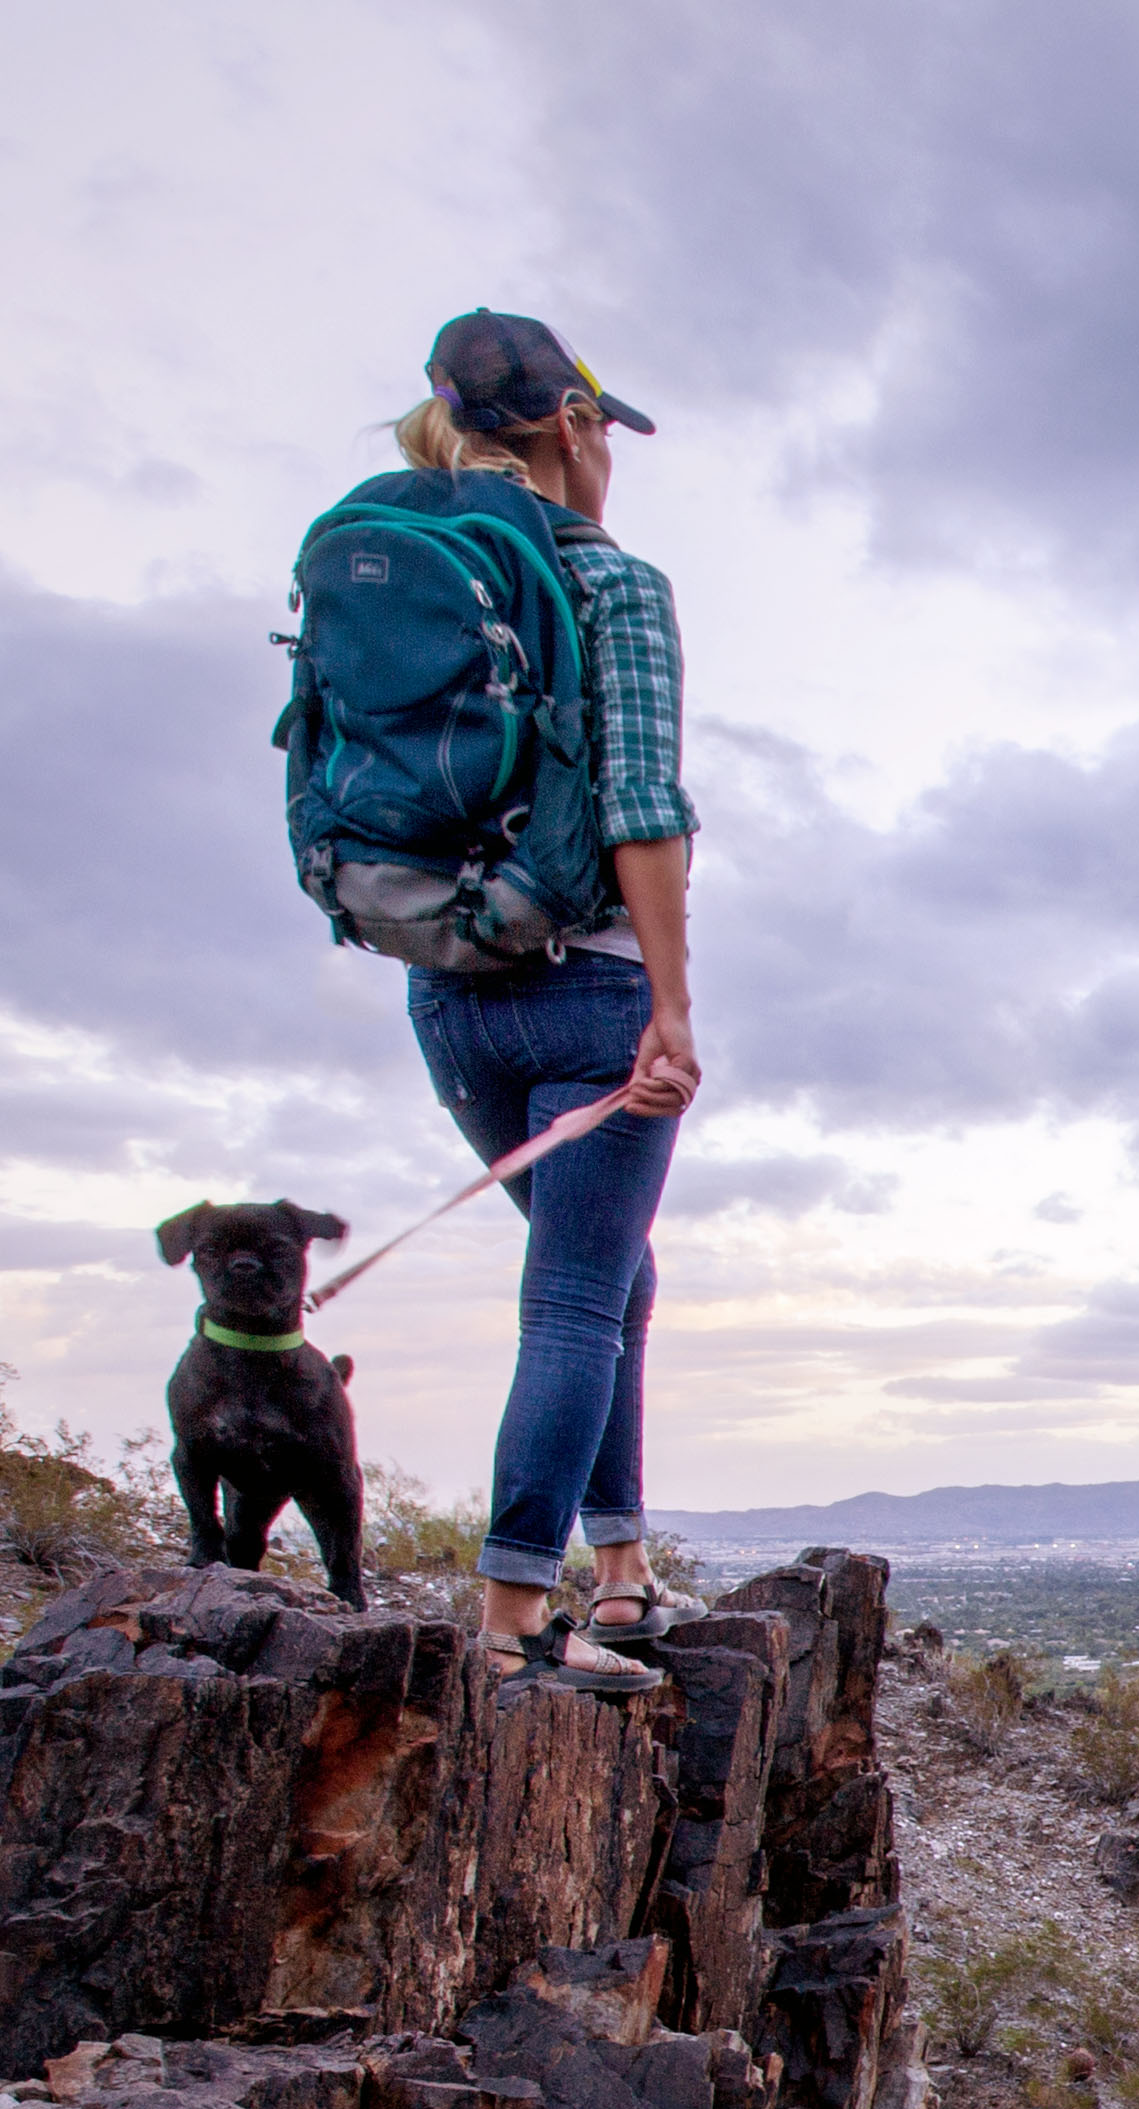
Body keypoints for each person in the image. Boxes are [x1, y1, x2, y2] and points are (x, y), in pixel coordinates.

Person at [390, 310, 700, 1693]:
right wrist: (670, 1009)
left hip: (448, 997)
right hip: (589, 993)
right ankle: (517, 1625)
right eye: (601, 430)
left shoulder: (412, 576)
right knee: (578, 1291)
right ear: (574, 425)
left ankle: (622, 1570)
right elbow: (643, 808)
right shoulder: (610, 586)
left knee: (612, 1273)